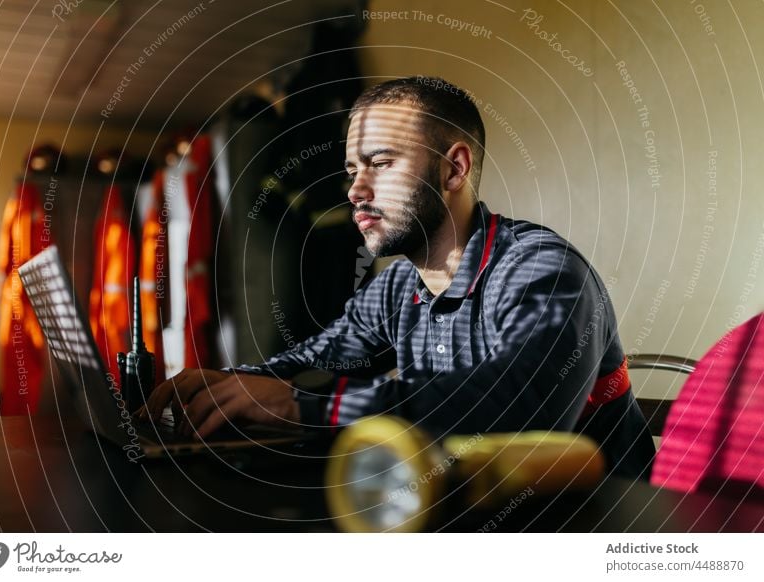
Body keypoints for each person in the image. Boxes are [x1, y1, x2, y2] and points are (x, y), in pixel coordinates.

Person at [139, 76, 655, 480]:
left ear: (453, 170)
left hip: (598, 524)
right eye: (350, 170)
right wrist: (230, 385)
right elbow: (317, 360)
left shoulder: (544, 270)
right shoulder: (395, 286)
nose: (355, 190)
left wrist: (299, 406)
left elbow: (514, 415)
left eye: (380, 164)